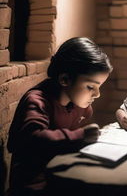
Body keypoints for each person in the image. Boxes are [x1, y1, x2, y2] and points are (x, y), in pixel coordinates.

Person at [7, 37, 113, 196]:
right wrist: (80, 136)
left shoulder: (79, 105)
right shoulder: (37, 101)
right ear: (65, 79)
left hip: (61, 175)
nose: (97, 94)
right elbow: (31, 138)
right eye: (91, 86)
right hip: (34, 186)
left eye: (99, 87)